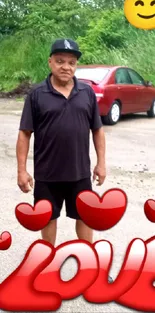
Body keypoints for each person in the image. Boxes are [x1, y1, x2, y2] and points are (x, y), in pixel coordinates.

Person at [16, 38, 106, 247]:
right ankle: (48, 261)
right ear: (50, 62)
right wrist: (22, 170)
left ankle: (88, 262)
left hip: (80, 172)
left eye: (71, 62)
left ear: (76, 65)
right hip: (47, 173)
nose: (66, 67)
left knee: (85, 216)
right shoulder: (36, 95)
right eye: (60, 61)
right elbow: (24, 134)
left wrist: (101, 163)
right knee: (48, 217)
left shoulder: (87, 93)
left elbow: (98, 130)